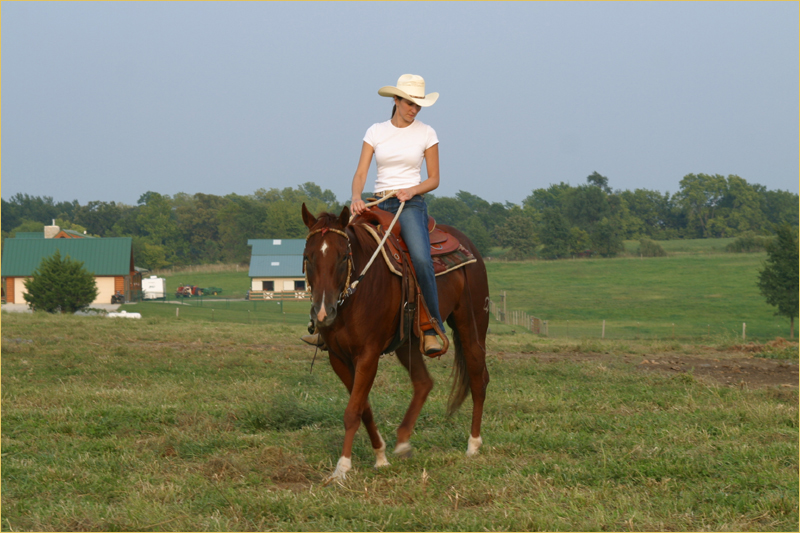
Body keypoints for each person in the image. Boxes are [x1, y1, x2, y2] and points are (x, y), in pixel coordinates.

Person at [303, 74, 445, 355]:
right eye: (408, 103)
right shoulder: (375, 131)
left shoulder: (427, 133)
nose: (413, 109)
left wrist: (412, 190)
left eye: (418, 105)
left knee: (420, 257)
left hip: (410, 205)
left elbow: (435, 179)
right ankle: (324, 324)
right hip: (376, 204)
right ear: (395, 100)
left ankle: (431, 326)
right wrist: (356, 198)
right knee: (338, 250)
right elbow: (360, 173)